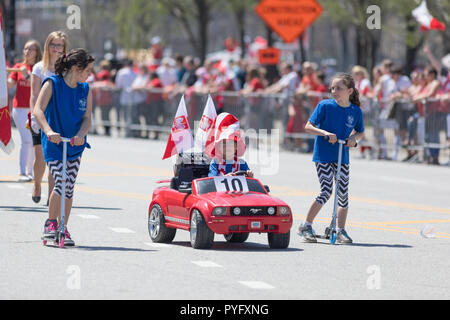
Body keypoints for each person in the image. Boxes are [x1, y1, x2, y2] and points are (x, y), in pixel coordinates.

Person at [33, 48, 95, 246]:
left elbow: (87, 119)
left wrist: (80, 135)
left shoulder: (85, 89)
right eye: (88, 70)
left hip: (74, 145)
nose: (90, 75)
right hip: (54, 144)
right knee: (60, 181)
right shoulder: (53, 83)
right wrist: (49, 131)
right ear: (77, 68)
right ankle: (50, 223)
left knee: (69, 188)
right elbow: (38, 110)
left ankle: (63, 227)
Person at [298, 73, 365, 244]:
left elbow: (361, 131)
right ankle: (306, 225)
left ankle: (341, 230)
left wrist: (353, 139)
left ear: (350, 91)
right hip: (324, 156)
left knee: (343, 194)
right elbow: (308, 126)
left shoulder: (355, 111)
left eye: (339, 88)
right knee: (326, 191)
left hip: (342, 156)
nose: (334, 91)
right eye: (333, 88)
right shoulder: (324, 106)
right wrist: (325, 133)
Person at [30, 31, 68, 204]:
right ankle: (37, 183)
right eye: (53, 44)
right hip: (40, 118)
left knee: (55, 160)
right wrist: (34, 117)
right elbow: (34, 94)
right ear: (47, 46)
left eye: (59, 45)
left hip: (57, 120)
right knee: (40, 159)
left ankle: (51, 195)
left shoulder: (66, 68)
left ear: (64, 48)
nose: (56, 48)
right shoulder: (39, 67)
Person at [7, 40, 42, 182]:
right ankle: (22, 173)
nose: (27, 51)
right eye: (25, 48)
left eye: (31, 49)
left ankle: (30, 172)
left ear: (37, 52)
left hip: (35, 109)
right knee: (27, 140)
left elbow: (38, 87)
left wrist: (27, 75)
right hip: (20, 109)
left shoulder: (40, 68)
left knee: (34, 142)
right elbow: (9, 85)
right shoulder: (18, 67)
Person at [206, 113, 253, 178]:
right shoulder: (215, 163)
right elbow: (211, 179)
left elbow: (250, 181)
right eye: (224, 144)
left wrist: (250, 175)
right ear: (219, 147)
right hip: (219, 188)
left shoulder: (242, 163)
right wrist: (224, 178)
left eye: (230, 144)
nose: (227, 147)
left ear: (236, 147)